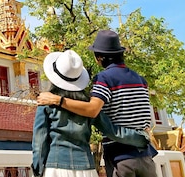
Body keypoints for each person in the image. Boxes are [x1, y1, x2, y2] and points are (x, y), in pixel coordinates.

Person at [37, 30, 157, 177]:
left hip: (121, 156)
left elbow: (92, 110)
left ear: (99, 57)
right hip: (145, 155)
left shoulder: (104, 78)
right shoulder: (140, 80)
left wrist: (57, 100)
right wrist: (142, 137)